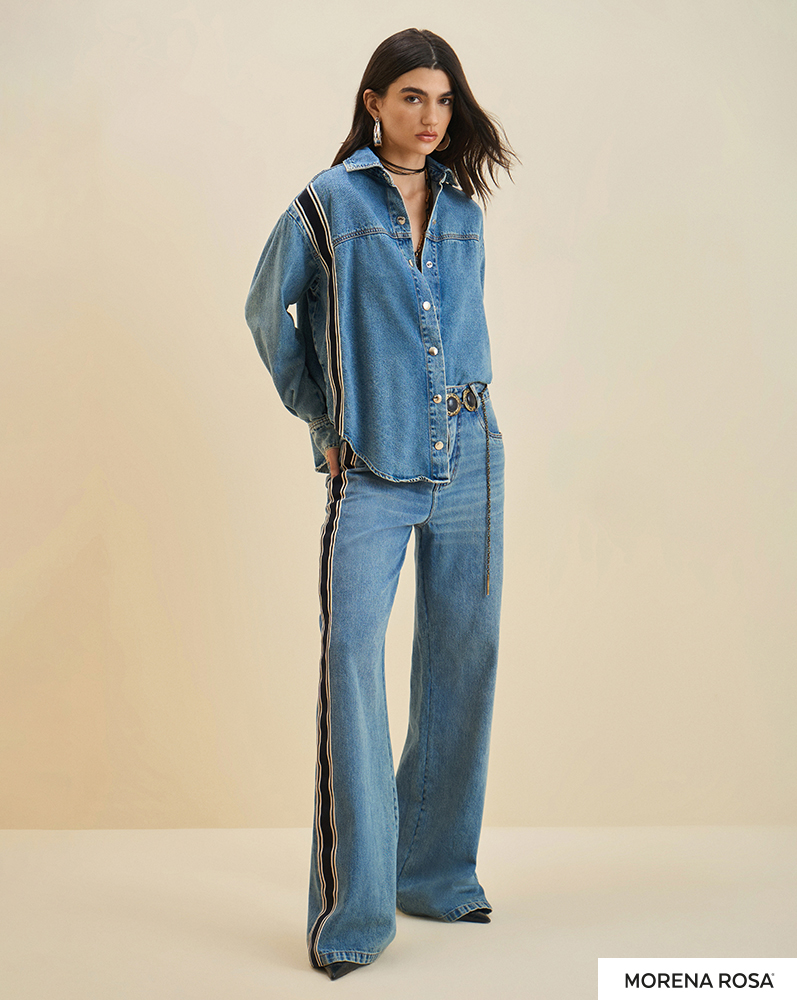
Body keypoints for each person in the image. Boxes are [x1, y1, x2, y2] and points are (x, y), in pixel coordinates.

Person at [245, 27, 515, 980]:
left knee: (463, 659)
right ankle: (354, 912)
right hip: (374, 464)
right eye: (411, 97)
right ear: (374, 102)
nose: (430, 116)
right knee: (352, 667)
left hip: (473, 455)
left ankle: (435, 874)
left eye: (443, 100)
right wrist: (323, 421)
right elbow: (266, 309)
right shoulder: (328, 202)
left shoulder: (465, 208)